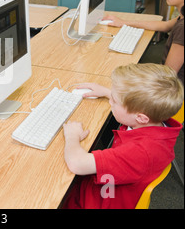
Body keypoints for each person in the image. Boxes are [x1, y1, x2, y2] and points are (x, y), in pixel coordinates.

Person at [62, 63, 183, 209]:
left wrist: (72, 136)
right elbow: (133, 109)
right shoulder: (155, 124)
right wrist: (109, 93)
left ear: (141, 117)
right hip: (110, 186)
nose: (110, 102)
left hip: (101, 200)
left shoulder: (139, 153)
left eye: (114, 101)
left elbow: (77, 164)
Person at [103, 0, 184, 85]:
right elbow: (165, 25)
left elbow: (168, 77)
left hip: (174, 93)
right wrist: (124, 22)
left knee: (119, 77)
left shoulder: (182, 28)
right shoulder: (181, 18)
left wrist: (137, 73)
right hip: (170, 82)